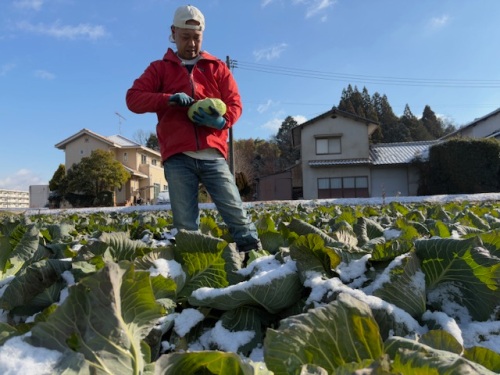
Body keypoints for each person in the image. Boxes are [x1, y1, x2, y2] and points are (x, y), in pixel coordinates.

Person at [126, 5, 262, 256]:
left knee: (235, 212)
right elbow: (133, 99)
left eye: (196, 38)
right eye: (185, 37)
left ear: (203, 36)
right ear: (173, 33)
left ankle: (254, 257)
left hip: (213, 155)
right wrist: (168, 99)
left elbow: (235, 104)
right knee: (186, 224)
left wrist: (223, 122)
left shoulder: (217, 67)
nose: (191, 43)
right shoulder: (159, 68)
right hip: (178, 158)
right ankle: (194, 265)